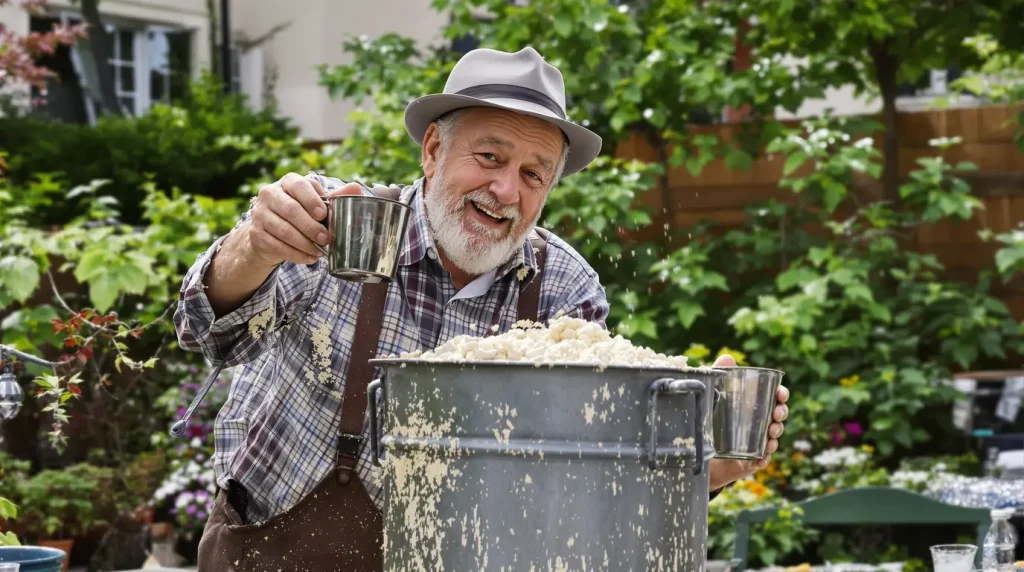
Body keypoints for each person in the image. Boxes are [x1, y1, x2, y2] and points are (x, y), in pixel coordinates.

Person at [173, 46, 790, 571]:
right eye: (490, 158)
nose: (506, 191)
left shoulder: (563, 290)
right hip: (274, 554)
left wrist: (702, 471)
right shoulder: (337, 222)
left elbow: (580, 476)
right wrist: (253, 248)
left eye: (533, 174)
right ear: (434, 150)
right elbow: (206, 330)